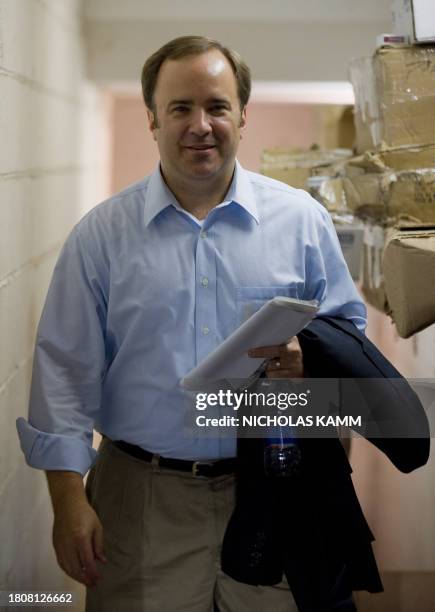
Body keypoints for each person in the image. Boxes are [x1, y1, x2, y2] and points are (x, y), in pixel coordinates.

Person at [17, 36, 366, 611]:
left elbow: (350, 337)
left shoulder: (301, 221)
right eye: (180, 108)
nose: (200, 125)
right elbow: (65, 371)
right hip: (140, 499)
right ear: (153, 119)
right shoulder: (102, 235)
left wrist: (314, 357)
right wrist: (68, 502)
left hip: (273, 486)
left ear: (243, 116)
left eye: (217, 106)